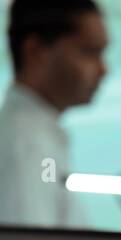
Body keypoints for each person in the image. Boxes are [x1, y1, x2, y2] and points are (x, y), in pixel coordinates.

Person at [0, 0, 108, 227]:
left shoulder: (31, 136)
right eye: (89, 52)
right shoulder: (27, 147)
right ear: (36, 51)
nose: (103, 69)